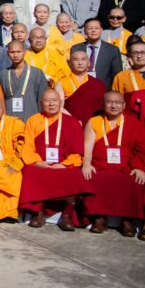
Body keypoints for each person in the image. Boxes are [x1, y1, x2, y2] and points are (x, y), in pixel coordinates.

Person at [19, 89, 90, 231]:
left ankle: (67, 215)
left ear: (61, 102)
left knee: (75, 174)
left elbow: (77, 151)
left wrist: (64, 165)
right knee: (29, 171)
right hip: (41, 163)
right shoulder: (34, 120)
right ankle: (38, 212)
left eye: (54, 100)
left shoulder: (72, 122)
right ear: (41, 103)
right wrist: (38, 162)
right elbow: (27, 147)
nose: (51, 104)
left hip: (63, 164)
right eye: (47, 101)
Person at [81, 91, 145, 237]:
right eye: (109, 102)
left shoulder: (133, 123)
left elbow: (142, 149)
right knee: (92, 177)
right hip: (100, 165)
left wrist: (139, 168)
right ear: (103, 105)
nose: (113, 105)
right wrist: (86, 163)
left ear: (124, 105)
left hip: (126, 166)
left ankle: (127, 220)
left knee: (135, 181)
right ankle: (99, 218)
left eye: (117, 102)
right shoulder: (94, 122)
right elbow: (87, 146)